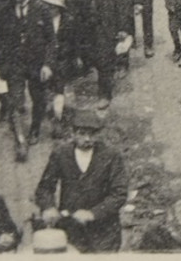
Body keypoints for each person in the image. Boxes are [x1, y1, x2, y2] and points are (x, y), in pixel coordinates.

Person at [34, 107, 129, 252]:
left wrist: (93, 213)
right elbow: (45, 188)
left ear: (98, 135)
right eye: (82, 134)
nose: (87, 139)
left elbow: (119, 193)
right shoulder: (61, 154)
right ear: (72, 133)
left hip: (104, 232)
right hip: (72, 229)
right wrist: (48, 207)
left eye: (92, 134)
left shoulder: (111, 156)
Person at [0, 0, 56, 162]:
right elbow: (0, 39)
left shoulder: (42, 9)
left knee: (38, 99)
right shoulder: (5, 10)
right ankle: (20, 139)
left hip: (37, 64)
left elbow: (51, 40)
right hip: (14, 65)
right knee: (14, 102)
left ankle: (34, 129)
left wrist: (48, 65)